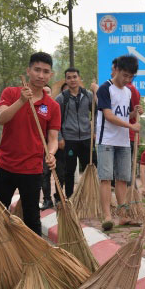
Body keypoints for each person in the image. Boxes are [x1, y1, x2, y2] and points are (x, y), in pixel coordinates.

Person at [0, 52, 60, 236]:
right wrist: (21, 101)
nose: (41, 75)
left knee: (32, 221)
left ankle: (34, 262)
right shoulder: (11, 92)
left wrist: (51, 153)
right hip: (5, 166)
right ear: (28, 70)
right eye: (37, 70)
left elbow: (53, 138)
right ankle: (5, 260)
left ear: (51, 75)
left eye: (46, 71)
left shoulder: (53, 106)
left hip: (32, 170)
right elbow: (1, 118)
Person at [96, 54, 142, 231]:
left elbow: (124, 114)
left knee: (122, 178)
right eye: (125, 75)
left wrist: (134, 114)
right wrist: (131, 126)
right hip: (106, 139)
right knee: (106, 178)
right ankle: (107, 215)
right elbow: (108, 115)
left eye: (131, 77)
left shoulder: (129, 91)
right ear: (117, 70)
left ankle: (123, 216)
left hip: (123, 141)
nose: (127, 80)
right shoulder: (105, 89)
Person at [55, 68, 96, 198]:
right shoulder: (61, 99)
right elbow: (56, 121)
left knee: (91, 168)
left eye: (75, 77)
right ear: (66, 80)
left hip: (86, 138)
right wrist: (60, 138)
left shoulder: (88, 95)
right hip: (69, 140)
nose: (72, 80)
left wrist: (94, 128)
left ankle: (89, 197)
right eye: (69, 77)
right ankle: (70, 198)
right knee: (69, 171)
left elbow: (96, 113)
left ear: (79, 78)